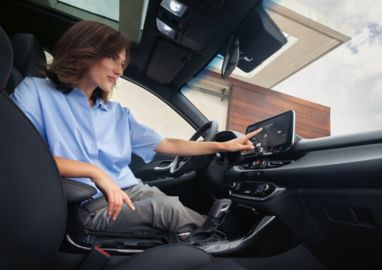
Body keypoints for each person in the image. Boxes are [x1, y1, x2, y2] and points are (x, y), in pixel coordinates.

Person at [11, 20, 260, 235]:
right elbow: (22, 156)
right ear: (85, 50)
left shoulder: (117, 114)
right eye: (113, 59)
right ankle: (226, 248)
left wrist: (221, 145)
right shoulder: (35, 91)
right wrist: (94, 172)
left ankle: (221, 243)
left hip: (133, 191)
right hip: (89, 205)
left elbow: (167, 144)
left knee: (177, 209)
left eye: (123, 63)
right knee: (170, 211)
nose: (120, 70)